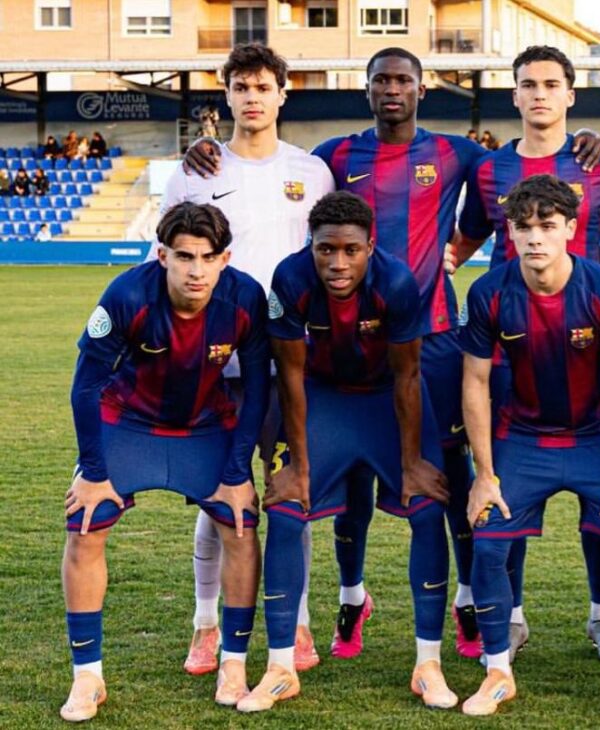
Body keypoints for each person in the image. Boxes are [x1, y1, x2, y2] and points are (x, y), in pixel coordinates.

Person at [185, 45, 600, 664]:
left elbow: (516, 177)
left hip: (432, 341)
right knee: (352, 473)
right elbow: (283, 188)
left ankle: (468, 601)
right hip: (347, 343)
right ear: (367, 90)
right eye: (381, 80)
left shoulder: (458, 154)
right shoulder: (334, 157)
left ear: (420, 89)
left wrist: (585, 141)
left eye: (403, 80)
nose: (392, 89)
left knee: (449, 473)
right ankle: (351, 596)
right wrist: (209, 146)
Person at [446, 46, 600, 666]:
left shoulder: (599, 164)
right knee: (506, 489)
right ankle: (513, 616)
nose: (540, 94)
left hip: (588, 349)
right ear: (515, 95)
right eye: (529, 85)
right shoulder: (490, 170)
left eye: (552, 84)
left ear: (571, 95)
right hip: (510, 353)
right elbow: (468, 237)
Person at [238, 191, 450, 712]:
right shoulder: (290, 279)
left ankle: (428, 664)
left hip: (385, 399)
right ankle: (280, 667)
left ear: (370, 247)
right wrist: (297, 466)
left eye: (350, 250)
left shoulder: (396, 282)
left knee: (427, 509)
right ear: (309, 245)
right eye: (325, 249)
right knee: (286, 512)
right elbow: (290, 374)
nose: (337, 262)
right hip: (322, 398)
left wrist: (411, 463)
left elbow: (408, 375)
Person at [163, 42, 335, 677]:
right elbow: (169, 264)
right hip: (218, 367)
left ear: (283, 94)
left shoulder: (312, 172)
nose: (253, 98)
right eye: (241, 87)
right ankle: (205, 624)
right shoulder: (196, 171)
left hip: (292, 364)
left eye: (264, 87)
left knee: (290, 492)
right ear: (227, 94)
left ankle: (301, 621)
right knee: (218, 498)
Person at [60, 202, 269, 721]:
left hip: (205, 423)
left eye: (208, 258)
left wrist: (238, 473)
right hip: (129, 420)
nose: (197, 270)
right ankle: (87, 676)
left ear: (225, 259)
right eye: (184, 257)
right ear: (162, 255)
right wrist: (93, 472)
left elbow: (259, 390)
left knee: (240, 522)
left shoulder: (245, 297)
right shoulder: (127, 294)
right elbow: (85, 387)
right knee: (85, 522)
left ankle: (233, 664)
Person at [459, 175, 600, 719]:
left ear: (570, 227)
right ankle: (498, 671)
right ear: (510, 233)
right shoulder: (488, 292)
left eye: (547, 225)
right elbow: (474, 382)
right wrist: (483, 474)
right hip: (521, 439)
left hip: (596, 437)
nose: (535, 237)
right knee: (488, 544)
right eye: (524, 227)